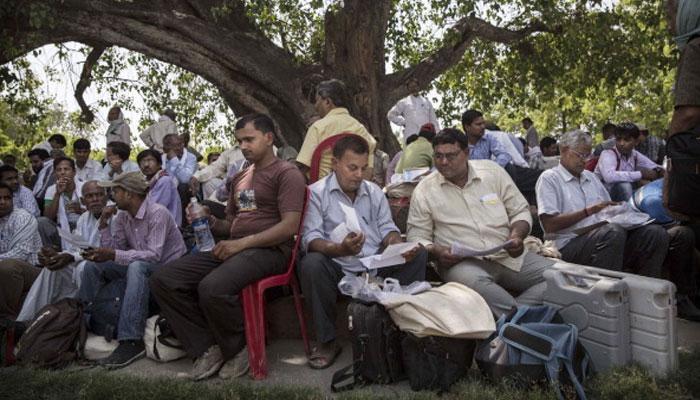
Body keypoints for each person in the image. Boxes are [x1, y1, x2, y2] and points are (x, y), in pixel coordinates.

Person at [150, 114, 306, 381]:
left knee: (212, 287)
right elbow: (234, 223)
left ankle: (238, 349)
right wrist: (210, 221)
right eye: (240, 141)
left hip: (272, 251)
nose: (244, 146)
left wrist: (240, 244)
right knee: (164, 278)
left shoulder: (286, 173)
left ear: (269, 138)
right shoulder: (243, 177)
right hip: (237, 247)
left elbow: (290, 226)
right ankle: (207, 347)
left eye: (250, 139)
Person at [535, 129, 700, 320]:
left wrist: (619, 210)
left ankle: (646, 301)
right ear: (564, 150)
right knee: (612, 232)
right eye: (580, 155)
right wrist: (589, 211)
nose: (584, 160)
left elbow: (607, 212)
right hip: (569, 244)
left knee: (655, 233)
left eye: (587, 155)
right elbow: (549, 225)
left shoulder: (591, 178)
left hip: (606, 235)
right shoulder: (550, 178)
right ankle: (607, 302)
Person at [299, 135, 426, 369]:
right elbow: (311, 238)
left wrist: (397, 245)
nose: (359, 175)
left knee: (418, 255)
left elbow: (388, 229)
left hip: (375, 265)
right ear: (335, 163)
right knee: (311, 264)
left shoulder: (374, 191)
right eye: (352, 168)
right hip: (339, 266)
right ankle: (327, 341)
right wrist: (339, 249)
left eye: (363, 168)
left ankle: (404, 331)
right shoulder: (316, 193)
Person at [407, 128, 555, 317]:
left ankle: (517, 316)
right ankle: (519, 319)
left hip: (508, 254)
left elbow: (520, 211)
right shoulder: (425, 189)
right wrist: (437, 251)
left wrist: (517, 236)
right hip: (463, 264)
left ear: (466, 153)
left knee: (560, 280)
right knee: (484, 290)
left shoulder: (492, 172)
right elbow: (417, 236)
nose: (443, 162)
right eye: (438, 156)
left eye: (451, 156)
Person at [78, 171, 186, 368]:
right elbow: (118, 251)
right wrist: (103, 226)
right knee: (93, 265)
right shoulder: (122, 217)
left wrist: (113, 255)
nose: (111, 196)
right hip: (142, 268)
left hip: (167, 273)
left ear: (129, 194)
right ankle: (84, 320)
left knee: (137, 266)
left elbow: (154, 256)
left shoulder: (158, 213)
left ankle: (131, 340)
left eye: (115, 191)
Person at [17, 181, 112, 321]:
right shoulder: (84, 218)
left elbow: (104, 251)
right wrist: (58, 255)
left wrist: (71, 256)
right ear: (83, 201)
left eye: (99, 195)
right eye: (90, 196)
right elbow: (78, 248)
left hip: (106, 264)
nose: (95, 199)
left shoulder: (114, 214)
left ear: (106, 196)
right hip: (85, 259)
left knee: (84, 268)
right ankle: (28, 319)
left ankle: (82, 315)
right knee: (52, 267)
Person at [296, 79, 377, 180]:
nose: (316, 106)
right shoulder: (361, 130)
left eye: (317, 101)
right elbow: (368, 171)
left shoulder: (318, 128)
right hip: (356, 193)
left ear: (327, 102)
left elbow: (302, 167)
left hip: (321, 193)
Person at [0, 182, 42, 320]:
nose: (3, 202)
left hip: (32, 271)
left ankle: (7, 318)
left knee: (8, 267)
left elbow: (20, 254)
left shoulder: (22, 217)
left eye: (7, 198)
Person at [594, 122, 663, 201]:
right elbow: (609, 177)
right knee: (625, 186)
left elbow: (652, 165)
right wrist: (640, 174)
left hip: (623, 195)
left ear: (636, 142)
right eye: (618, 139)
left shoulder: (635, 155)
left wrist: (659, 171)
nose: (622, 143)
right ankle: (630, 211)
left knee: (652, 185)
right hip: (603, 196)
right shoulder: (607, 154)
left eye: (626, 140)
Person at [669, 0, 700, 135]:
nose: (669, 26)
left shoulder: (695, 47)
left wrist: (672, 144)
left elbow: (688, 114)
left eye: (670, 17)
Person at [39, 157, 84, 249]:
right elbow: (48, 217)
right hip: (62, 230)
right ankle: (52, 255)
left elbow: (97, 213)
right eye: (59, 170)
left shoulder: (84, 187)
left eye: (66, 169)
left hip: (84, 228)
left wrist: (81, 210)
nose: (62, 172)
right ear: (55, 174)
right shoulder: (51, 190)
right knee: (41, 222)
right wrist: (58, 194)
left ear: (74, 172)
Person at [137, 149, 182, 227]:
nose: (146, 164)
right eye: (142, 161)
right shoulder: (147, 182)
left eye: (150, 160)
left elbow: (154, 210)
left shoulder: (164, 180)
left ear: (159, 164)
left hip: (167, 228)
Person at [161, 134, 197, 206]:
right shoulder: (161, 158)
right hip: (165, 189)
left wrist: (174, 160)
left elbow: (185, 179)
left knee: (182, 187)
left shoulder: (190, 157)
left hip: (185, 192)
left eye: (180, 144)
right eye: (174, 146)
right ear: (166, 148)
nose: (179, 148)